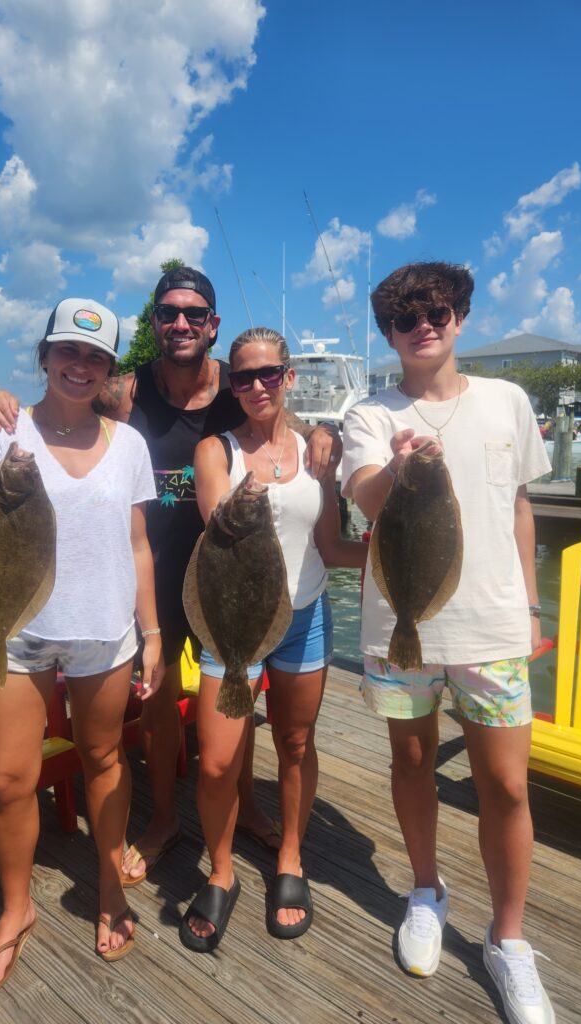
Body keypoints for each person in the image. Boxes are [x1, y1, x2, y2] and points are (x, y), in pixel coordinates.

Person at [0, 266, 340, 886]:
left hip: (231, 567)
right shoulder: (125, 393)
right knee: (162, 700)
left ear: (212, 325)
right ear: (154, 323)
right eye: (167, 312)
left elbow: (282, 422)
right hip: (159, 568)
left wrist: (321, 431)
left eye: (193, 314)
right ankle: (166, 816)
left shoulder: (236, 382)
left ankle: (247, 804)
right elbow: (64, 396)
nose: (180, 324)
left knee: (238, 687)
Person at [341, 262, 555, 1024]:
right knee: (411, 762)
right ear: (389, 333)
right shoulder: (370, 412)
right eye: (405, 317)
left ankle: (507, 940)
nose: (423, 324)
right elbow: (364, 496)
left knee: (505, 786)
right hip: (403, 629)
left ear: (460, 316)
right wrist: (398, 469)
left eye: (437, 311)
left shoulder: (508, 401)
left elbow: (521, 506)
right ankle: (425, 889)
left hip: (493, 627)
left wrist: (530, 605)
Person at [0, 298, 163, 990]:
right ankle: (17, 909)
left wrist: (153, 631)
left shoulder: (129, 444)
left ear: (108, 369)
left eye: (96, 357)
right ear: (44, 356)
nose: (81, 365)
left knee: (104, 756)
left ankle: (109, 884)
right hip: (14, 635)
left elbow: (138, 544)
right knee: (10, 780)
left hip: (104, 630)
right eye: (68, 351)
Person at [178, 327, 367, 952]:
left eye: (267, 374)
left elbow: (333, 546)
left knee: (294, 742)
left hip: (306, 618)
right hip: (233, 622)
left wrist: (388, 551)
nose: (255, 386)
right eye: (242, 376)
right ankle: (223, 869)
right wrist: (251, 494)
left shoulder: (321, 454)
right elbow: (220, 538)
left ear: (289, 377)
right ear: (230, 384)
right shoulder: (216, 452)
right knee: (215, 760)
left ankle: (289, 858)